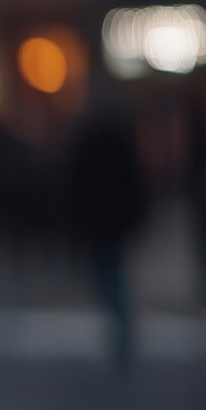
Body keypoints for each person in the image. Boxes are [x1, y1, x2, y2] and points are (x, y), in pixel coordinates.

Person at [66, 94, 146, 371]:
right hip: (111, 220)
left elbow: (77, 184)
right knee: (111, 271)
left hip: (102, 220)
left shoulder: (90, 144)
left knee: (107, 272)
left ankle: (119, 324)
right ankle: (120, 325)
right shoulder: (119, 145)